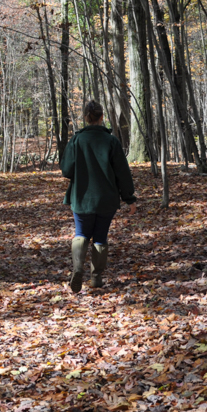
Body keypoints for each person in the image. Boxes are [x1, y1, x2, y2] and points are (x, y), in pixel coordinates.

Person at [60, 100, 137, 291]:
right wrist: (129, 198)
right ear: (102, 117)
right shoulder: (111, 141)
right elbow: (122, 173)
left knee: (81, 234)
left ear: (85, 118)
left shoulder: (77, 140)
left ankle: (78, 268)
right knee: (100, 237)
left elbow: (66, 169)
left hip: (81, 199)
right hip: (106, 199)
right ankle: (96, 278)